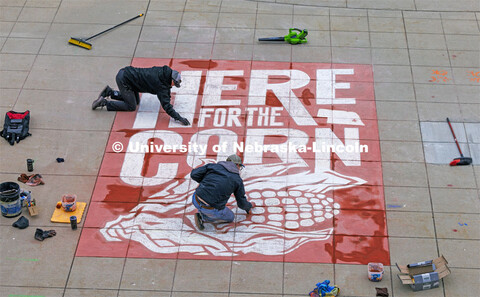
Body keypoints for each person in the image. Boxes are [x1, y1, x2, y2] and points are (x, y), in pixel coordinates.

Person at [91, 65, 190, 125]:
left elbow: (165, 91)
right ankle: (104, 103)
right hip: (125, 80)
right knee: (131, 106)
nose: (173, 86)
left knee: (136, 101)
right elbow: (166, 105)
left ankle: (110, 92)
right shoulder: (161, 86)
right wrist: (178, 118)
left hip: (126, 72)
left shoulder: (163, 72)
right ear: (171, 80)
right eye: (174, 84)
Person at [190, 154, 253, 230]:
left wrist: (204, 182)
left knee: (209, 202)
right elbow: (241, 203)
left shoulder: (212, 166)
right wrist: (249, 206)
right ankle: (203, 217)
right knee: (230, 217)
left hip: (195, 198)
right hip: (210, 209)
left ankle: (203, 210)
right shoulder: (237, 180)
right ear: (237, 165)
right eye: (240, 167)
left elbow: (194, 174)